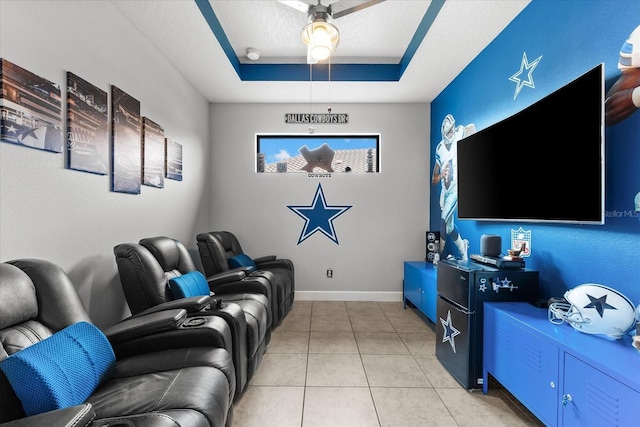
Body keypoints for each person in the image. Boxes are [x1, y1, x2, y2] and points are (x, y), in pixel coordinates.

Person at [431, 114, 475, 260]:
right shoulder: (439, 149)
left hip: (456, 187)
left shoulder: (460, 133)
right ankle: (463, 249)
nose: (450, 134)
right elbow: (434, 179)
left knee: (443, 220)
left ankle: (439, 257)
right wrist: (441, 174)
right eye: (447, 131)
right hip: (446, 190)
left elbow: (472, 127)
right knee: (449, 228)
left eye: (451, 131)